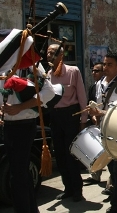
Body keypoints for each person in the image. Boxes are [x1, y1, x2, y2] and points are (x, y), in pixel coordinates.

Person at [0, 37, 56, 212]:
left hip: (24, 125)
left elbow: (49, 92)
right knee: (19, 175)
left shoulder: (31, 65)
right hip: (7, 126)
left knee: (18, 176)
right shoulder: (3, 65)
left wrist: (20, 107)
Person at [87, 52, 117, 213]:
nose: (105, 67)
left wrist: (101, 113)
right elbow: (99, 105)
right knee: (112, 169)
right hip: (103, 130)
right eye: (104, 64)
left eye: (109, 65)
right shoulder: (100, 83)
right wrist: (94, 114)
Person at [46, 43, 87, 202]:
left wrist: (83, 121)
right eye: (48, 53)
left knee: (72, 154)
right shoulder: (48, 74)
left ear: (60, 55)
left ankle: (77, 190)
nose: (48, 56)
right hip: (55, 116)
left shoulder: (73, 71)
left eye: (52, 53)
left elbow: (82, 96)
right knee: (60, 154)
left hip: (71, 115)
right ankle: (68, 188)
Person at [83, 62, 104, 184]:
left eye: (97, 71)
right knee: (98, 149)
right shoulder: (93, 86)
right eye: (93, 70)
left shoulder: (105, 86)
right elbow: (90, 104)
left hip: (106, 120)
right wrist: (93, 116)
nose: (93, 73)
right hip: (96, 121)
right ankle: (95, 175)